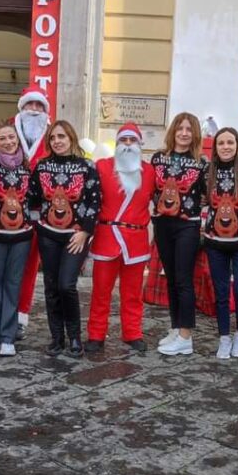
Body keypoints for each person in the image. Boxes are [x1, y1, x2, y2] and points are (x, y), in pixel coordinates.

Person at [28, 120, 100, 358]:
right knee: (50, 286)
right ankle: (56, 338)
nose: (57, 141)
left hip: (75, 236)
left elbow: (94, 202)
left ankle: (75, 337)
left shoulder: (86, 166)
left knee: (66, 285)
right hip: (49, 235)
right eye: (52, 137)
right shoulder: (42, 166)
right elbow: (33, 198)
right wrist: (38, 224)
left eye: (61, 136)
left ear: (71, 138)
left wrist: (84, 231)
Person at [86, 123, 155, 353]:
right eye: (123, 140)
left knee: (133, 293)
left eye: (132, 140)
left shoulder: (150, 172)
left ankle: (132, 332)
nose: (127, 145)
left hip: (136, 240)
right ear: (116, 144)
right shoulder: (102, 167)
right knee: (101, 291)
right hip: (107, 237)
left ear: (139, 145)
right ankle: (96, 334)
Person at [151, 112, 208, 356]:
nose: (184, 133)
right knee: (172, 278)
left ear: (195, 134)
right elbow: (151, 189)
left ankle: (186, 336)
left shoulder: (202, 163)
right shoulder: (158, 159)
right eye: (180, 128)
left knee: (184, 279)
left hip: (188, 225)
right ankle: (176, 327)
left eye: (189, 129)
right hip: (163, 224)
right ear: (173, 131)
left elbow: (209, 195)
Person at [202, 127, 238, 360]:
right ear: (215, 147)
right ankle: (224, 337)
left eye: (230, 142)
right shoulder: (208, 172)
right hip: (215, 242)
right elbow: (197, 199)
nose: (226, 147)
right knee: (221, 292)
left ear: (237, 145)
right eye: (221, 143)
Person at [0, 122, 33, 358]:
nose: (8, 142)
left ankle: (7, 337)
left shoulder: (28, 166)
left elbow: (36, 198)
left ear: (18, 139)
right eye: (2, 138)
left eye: (11, 137)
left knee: (13, 287)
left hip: (21, 236)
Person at [12, 87, 52, 334]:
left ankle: (19, 317)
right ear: (22, 107)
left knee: (28, 268)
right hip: (5, 215)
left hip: (38, 217)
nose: (35, 110)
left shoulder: (53, 137)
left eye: (40, 106)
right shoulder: (6, 132)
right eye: (30, 105)